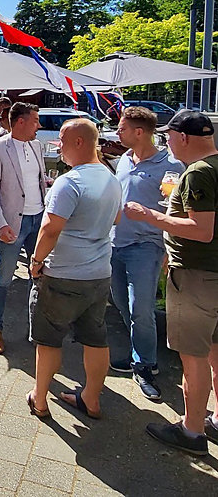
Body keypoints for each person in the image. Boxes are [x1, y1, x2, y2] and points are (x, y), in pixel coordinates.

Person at [123, 110, 218, 455]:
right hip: (211, 276)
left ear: (184, 138)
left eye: (169, 136)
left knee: (192, 358)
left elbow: (202, 231)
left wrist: (151, 216)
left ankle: (192, 432)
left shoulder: (198, 173)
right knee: (215, 353)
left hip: (195, 277)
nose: (167, 142)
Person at [27, 119, 121, 419]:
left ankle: (39, 400)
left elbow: (50, 229)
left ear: (80, 142)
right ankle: (91, 399)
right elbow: (116, 219)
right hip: (98, 274)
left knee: (48, 340)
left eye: (63, 141)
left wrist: (36, 261)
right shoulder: (110, 177)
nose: (58, 146)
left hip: (63, 275)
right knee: (95, 338)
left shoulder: (70, 182)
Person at [109, 106, 184, 402]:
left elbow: (173, 210)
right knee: (121, 303)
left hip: (146, 247)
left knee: (141, 308)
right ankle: (137, 351)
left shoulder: (170, 167)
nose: (117, 132)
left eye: (122, 128)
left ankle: (145, 365)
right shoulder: (125, 159)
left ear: (139, 132)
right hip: (115, 243)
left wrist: (166, 248)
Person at [0, 102, 46, 355]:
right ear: (20, 121)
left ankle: (37, 330)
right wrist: (1, 224)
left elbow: (37, 180)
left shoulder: (37, 145)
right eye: (35, 120)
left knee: (39, 276)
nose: (39, 126)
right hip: (12, 225)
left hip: (37, 220)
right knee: (4, 278)